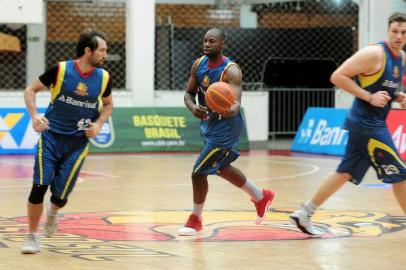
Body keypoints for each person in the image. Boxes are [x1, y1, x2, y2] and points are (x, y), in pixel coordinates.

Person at [290, 12, 406, 235]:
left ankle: (304, 213)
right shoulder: (374, 53)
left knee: (344, 172)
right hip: (367, 125)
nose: (399, 36)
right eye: (395, 31)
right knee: (400, 174)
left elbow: (384, 87)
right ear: (388, 31)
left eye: (403, 32)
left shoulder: (400, 58)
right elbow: (337, 76)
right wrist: (369, 97)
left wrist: (397, 96)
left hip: (366, 124)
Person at [21, 29, 114, 253]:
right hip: (51, 137)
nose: (105, 55)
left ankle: (53, 213)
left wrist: (99, 123)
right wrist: (34, 115)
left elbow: (109, 104)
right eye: (102, 50)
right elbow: (30, 90)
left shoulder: (103, 77)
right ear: (88, 50)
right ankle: (32, 236)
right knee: (39, 187)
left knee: (60, 195)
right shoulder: (61, 70)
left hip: (78, 143)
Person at [178, 28, 276, 235]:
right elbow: (188, 93)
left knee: (198, 172)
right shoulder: (198, 65)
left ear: (222, 44)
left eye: (212, 41)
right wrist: (193, 107)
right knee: (221, 167)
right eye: (205, 40)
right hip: (209, 125)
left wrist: (229, 107)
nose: (206, 44)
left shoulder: (231, 70)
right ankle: (261, 196)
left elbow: (236, 102)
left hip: (227, 127)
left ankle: (195, 219)